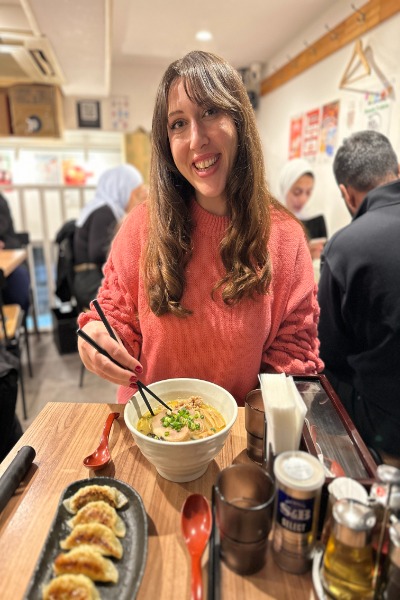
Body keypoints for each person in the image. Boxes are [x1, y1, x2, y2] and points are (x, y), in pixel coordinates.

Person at [77, 50, 323, 406]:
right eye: (178, 124)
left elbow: (293, 350)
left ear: (238, 120)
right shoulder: (142, 226)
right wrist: (100, 335)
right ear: (166, 142)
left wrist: (250, 422)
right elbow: (116, 316)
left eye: (210, 112)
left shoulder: (285, 237)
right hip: (151, 422)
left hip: (240, 429)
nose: (196, 139)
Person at [318, 130, 400, 466]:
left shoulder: (345, 247)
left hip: (387, 424)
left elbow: (328, 352)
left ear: (346, 194)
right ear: (397, 170)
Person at [73, 164, 147, 309]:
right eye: (136, 194)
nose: (136, 199)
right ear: (122, 190)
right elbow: (98, 253)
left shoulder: (102, 208)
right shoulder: (104, 212)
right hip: (91, 282)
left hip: (86, 279)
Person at [278, 158, 328, 260]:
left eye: (308, 192)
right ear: (285, 188)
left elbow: (326, 257)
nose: (303, 199)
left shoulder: (317, 218)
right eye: (297, 192)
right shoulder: (274, 220)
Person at [0, 192, 30, 313]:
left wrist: (4, 245)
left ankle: (19, 318)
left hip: (10, 267)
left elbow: (5, 229)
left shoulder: (1, 202)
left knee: (19, 282)